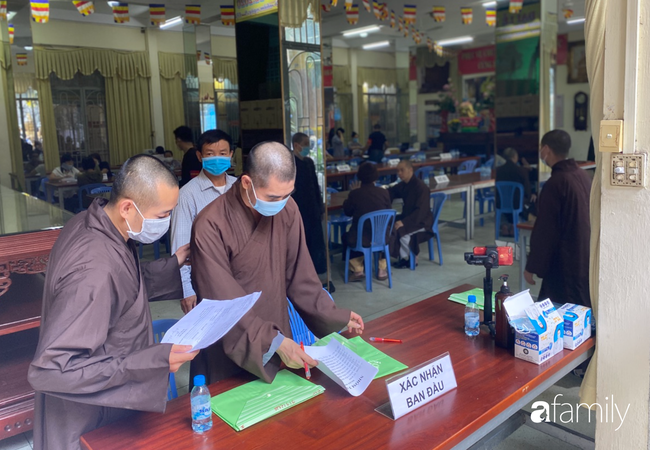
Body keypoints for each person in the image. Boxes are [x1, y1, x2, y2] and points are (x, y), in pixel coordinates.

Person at [28, 155, 198, 450]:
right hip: (90, 415)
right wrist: (152, 361)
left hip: (106, 400)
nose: (166, 223)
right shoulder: (92, 269)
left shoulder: (95, 222)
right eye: (163, 215)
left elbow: (123, 284)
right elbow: (52, 370)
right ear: (127, 207)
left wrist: (174, 262)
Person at [189, 141, 364, 385]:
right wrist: (273, 342)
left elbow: (300, 276)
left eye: (287, 194)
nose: (280, 203)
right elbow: (223, 303)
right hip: (231, 343)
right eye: (272, 197)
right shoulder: (210, 224)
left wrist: (333, 315)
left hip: (277, 334)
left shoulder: (287, 209)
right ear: (247, 182)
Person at [171, 129, 236, 314]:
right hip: (206, 280)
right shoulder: (187, 195)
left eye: (222, 153)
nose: (217, 158)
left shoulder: (240, 188)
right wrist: (186, 290)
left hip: (241, 278)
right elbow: (180, 247)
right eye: (210, 154)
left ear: (231, 154)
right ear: (199, 156)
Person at [524, 130, 592, 307]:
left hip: (564, 261)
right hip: (584, 255)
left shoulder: (557, 183)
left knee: (559, 312)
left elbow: (546, 230)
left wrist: (532, 266)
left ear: (546, 149)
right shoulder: (582, 176)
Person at [342, 162, 392, 281]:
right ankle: (382, 268)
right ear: (375, 177)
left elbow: (348, 212)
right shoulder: (384, 192)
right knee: (388, 231)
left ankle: (358, 269)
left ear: (359, 177)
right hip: (381, 237)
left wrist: (352, 193)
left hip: (361, 239)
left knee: (347, 236)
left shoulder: (355, 194)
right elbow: (388, 212)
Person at [290, 132, 327, 278]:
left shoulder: (309, 163)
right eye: (305, 144)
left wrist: (320, 207)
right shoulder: (291, 164)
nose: (307, 147)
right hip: (299, 208)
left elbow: (315, 186)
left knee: (316, 241)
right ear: (296, 145)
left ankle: (318, 272)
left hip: (313, 208)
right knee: (302, 242)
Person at [388, 160, 433, 268]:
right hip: (409, 216)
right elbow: (392, 191)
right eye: (398, 171)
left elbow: (420, 211)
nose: (399, 173)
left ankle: (410, 258)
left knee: (400, 230)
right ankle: (402, 257)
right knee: (389, 223)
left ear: (410, 170)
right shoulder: (404, 185)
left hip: (422, 221)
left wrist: (404, 222)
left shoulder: (421, 188)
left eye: (402, 170)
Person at [495, 147, 532, 236]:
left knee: (503, 205)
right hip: (517, 204)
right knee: (529, 203)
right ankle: (514, 225)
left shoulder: (497, 171)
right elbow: (527, 191)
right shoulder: (521, 171)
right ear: (515, 157)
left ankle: (504, 225)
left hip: (501, 203)